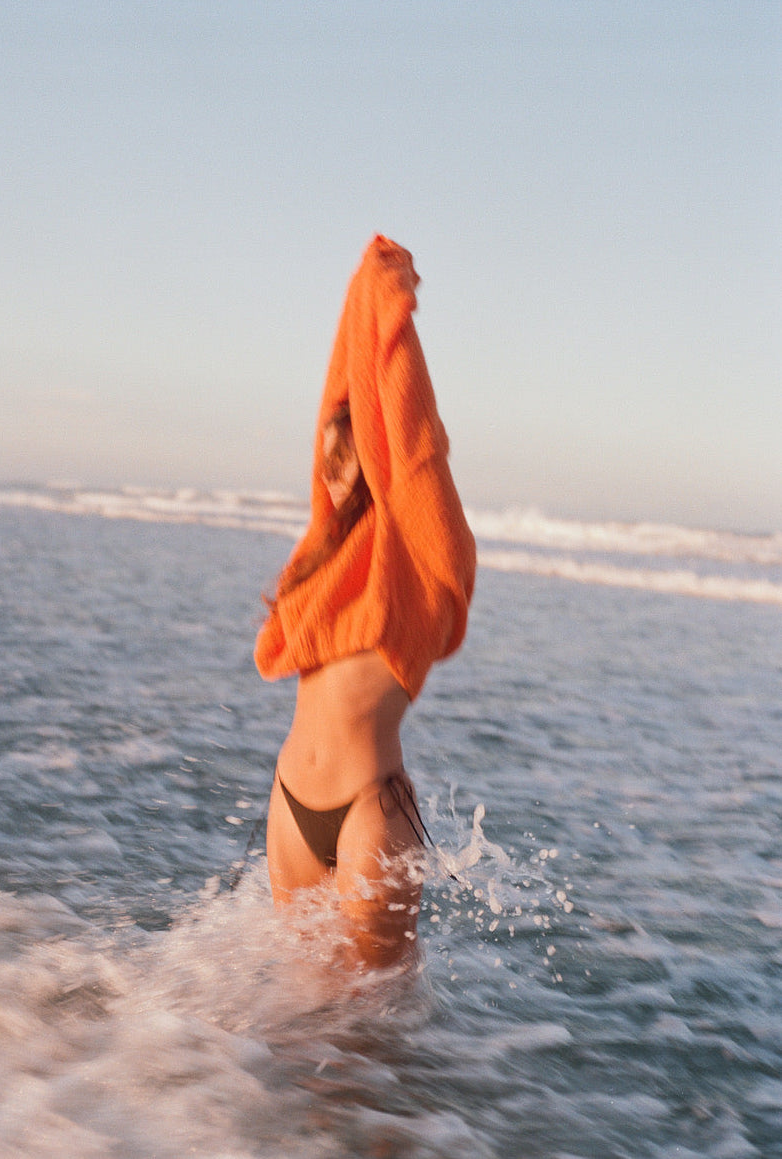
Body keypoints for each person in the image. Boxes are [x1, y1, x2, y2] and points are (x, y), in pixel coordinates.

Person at [255, 236, 477, 969]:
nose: (325, 466)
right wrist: (353, 318)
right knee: (294, 1007)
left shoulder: (413, 564)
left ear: (370, 454)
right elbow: (339, 400)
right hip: (290, 800)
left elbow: (412, 450)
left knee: (371, 1026)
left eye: (339, 452)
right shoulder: (327, 561)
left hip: (368, 814)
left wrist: (384, 304)